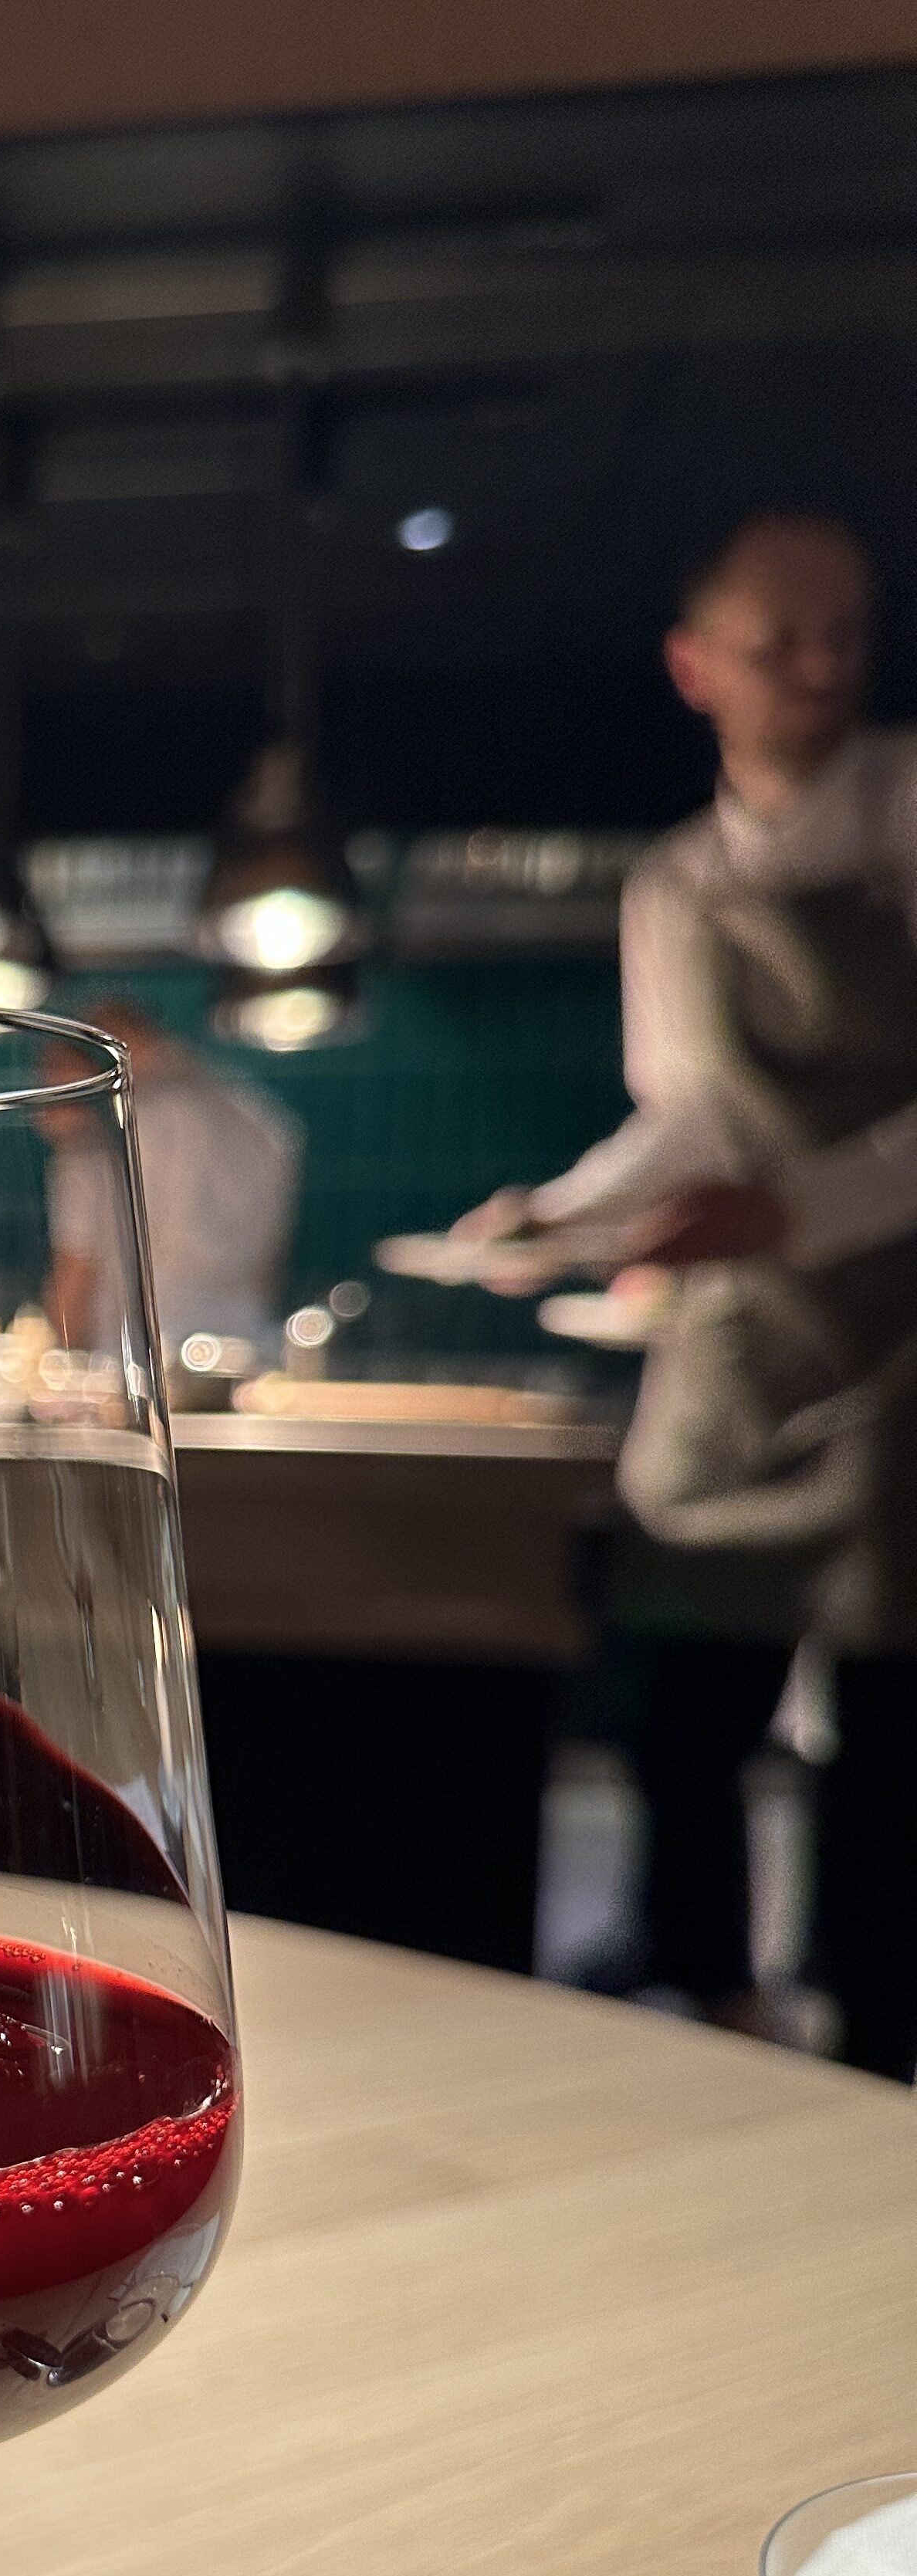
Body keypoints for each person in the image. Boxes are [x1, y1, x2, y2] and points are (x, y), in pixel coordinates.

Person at [450, 513, 917, 2076]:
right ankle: (708, 2007)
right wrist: (560, 1216)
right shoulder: (673, 882)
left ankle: (872, 2036)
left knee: (890, 1723)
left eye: (845, 633)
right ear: (693, 664)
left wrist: (792, 1209)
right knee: (683, 1706)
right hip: (746, 1341)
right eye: (782, 640)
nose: (823, 667)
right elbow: (694, 1118)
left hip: (906, 1335)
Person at [39, 1002, 299, 1356]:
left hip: (140, 1366)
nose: (43, 1107)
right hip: (247, 1352)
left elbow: (75, 1281)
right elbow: (272, 1266)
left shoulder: (105, 1132)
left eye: (54, 1072)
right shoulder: (259, 1119)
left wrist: (58, 1362)